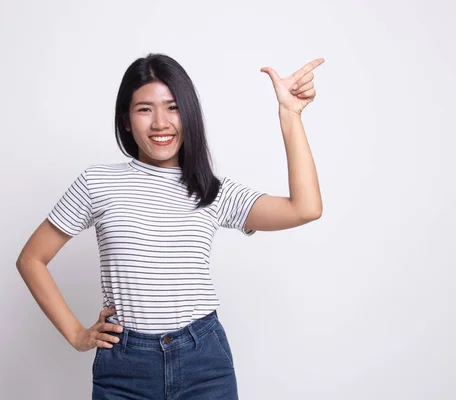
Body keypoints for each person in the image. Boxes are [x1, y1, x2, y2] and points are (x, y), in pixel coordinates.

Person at [16, 53, 324, 399]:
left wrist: (290, 115)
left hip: (203, 361)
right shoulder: (96, 183)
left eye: (173, 107)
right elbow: (31, 259)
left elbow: (305, 209)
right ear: (127, 120)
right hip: (124, 366)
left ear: (189, 115)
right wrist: (76, 335)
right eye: (145, 109)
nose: (160, 122)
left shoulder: (212, 191)